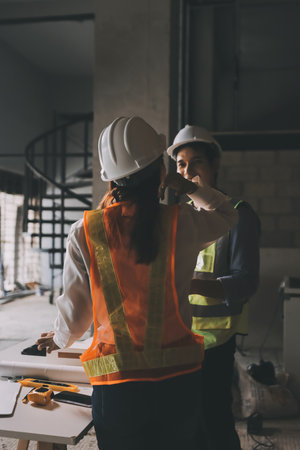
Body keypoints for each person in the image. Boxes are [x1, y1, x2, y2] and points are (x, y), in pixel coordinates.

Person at [37, 116, 238, 450]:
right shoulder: (182, 223)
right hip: (179, 383)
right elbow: (227, 214)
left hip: (118, 387)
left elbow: (77, 314)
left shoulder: (86, 231)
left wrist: (59, 338)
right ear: (162, 171)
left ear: (111, 179)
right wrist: (186, 186)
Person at [167, 124, 261, 450]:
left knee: (215, 421)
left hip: (215, 342)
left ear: (214, 164)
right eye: (180, 164)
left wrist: (189, 284)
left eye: (196, 162)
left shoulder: (237, 216)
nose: (188, 171)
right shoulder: (176, 217)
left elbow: (247, 281)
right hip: (178, 337)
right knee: (185, 424)